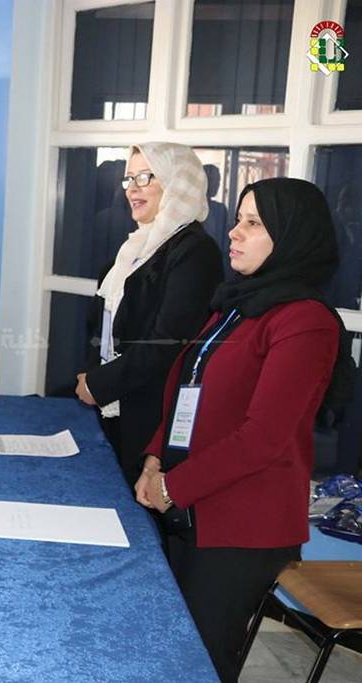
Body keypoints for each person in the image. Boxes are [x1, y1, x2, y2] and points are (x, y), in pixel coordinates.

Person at [135, 178, 354, 683]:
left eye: (253, 223)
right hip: (187, 503)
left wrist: (173, 486)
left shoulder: (305, 321)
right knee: (165, 647)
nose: (234, 232)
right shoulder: (236, 304)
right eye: (237, 219)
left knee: (199, 662)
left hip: (241, 526)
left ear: (291, 236)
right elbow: (187, 388)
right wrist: (155, 458)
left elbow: (263, 439)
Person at [76, 142, 224, 487]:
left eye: (146, 177)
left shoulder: (194, 251)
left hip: (152, 416)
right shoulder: (136, 246)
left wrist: (99, 384)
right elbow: (104, 327)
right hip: (115, 406)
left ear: (177, 182)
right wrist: (92, 373)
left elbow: (166, 342)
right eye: (129, 178)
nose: (132, 188)